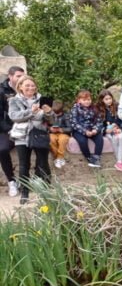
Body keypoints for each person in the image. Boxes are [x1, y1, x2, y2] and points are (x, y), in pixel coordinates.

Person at [7, 75, 51, 204]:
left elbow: (52, 120)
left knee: (42, 163)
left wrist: (49, 113)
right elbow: (14, 116)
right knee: (24, 165)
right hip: (22, 136)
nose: (30, 88)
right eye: (27, 85)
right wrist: (30, 112)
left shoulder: (42, 99)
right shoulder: (14, 100)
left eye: (32, 85)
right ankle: (25, 192)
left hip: (39, 135)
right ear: (20, 87)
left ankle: (45, 191)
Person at [0, 66, 25, 197]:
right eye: (18, 76)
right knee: (2, 149)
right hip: (7, 128)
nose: (21, 79)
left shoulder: (26, 88)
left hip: (25, 126)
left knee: (36, 145)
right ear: (10, 76)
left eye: (23, 76)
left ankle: (26, 179)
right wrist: (9, 130)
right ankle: (11, 181)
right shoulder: (1, 90)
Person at [70, 89, 104, 168]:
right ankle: (89, 158)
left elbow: (99, 121)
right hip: (79, 130)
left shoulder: (94, 108)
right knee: (82, 141)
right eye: (84, 100)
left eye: (88, 99)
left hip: (92, 129)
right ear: (79, 100)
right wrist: (85, 131)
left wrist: (95, 129)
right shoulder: (75, 109)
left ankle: (96, 157)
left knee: (100, 139)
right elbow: (74, 123)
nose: (87, 101)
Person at [97, 90, 122, 172]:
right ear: (102, 100)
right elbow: (98, 124)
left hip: (118, 129)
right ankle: (120, 162)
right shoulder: (99, 109)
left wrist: (120, 128)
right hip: (108, 131)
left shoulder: (118, 106)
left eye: (110, 98)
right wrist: (105, 130)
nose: (109, 101)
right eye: (106, 99)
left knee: (121, 136)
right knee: (112, 138)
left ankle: (119, 162)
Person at [47, 100, 71, 169]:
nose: (57, 115)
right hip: (53, 133)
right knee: (51, 139)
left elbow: (70, 128)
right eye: (55, 113)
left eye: (59, 113)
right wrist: (50, 128)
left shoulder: (66, 116)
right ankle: (57, 157)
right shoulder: (50, 115)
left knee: (62, 140)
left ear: (62, 110)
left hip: (63, 133)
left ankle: (60, 157)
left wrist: (62, 130)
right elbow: (45, 125)